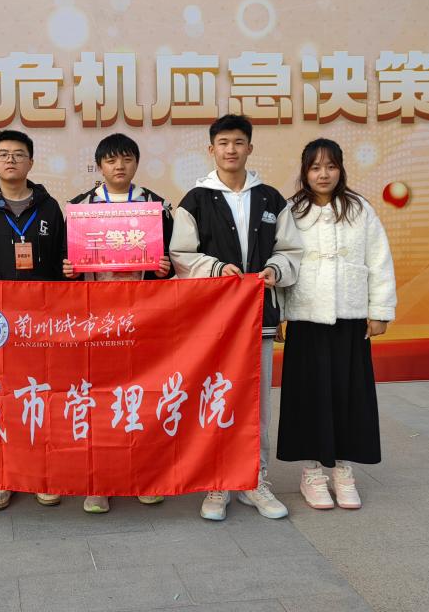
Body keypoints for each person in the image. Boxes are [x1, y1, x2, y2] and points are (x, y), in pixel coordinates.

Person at [170, 113, 302, 522]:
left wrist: (276, 269)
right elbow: (181, 254)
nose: (231, 149)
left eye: (238, 142)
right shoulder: (195, 200)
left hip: (259, 315)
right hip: (212, 321)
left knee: (257, 402)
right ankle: (217, 482)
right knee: (215, 398)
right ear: (211, 149)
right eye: (223, 143)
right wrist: (214, 268)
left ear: (250, 148)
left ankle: (254, 480)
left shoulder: (271, 199)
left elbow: (291, 250)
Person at [277, 138, 396, 510]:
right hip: (305, 317)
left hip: (349, 316)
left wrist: (380, 310)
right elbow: (281, 261)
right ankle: (312, 473)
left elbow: (379, 259)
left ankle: (344, 470)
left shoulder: (360, 209)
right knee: (307, 396)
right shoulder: (291, 211)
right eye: (315, 167)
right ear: (304, 172)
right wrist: (279, 314)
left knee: (349, 395)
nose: (323, 174)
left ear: (341, 169)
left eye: (331, 166)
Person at [63, 132, 174, 514]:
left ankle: (142, 476)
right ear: (99, 166)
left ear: (136, 163)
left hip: (144, 318)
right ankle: (100, 481)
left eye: (126, 159)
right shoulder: (80, 207)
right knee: (98, 397)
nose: (119, 166)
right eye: (111, 160)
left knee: (141, 397)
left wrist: (164, 269)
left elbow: (172, 261)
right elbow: (66, 264)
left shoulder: (157, 206)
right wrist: (69, 271)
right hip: (96, 320)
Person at [0, 129, 67, 512]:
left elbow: (61, 264)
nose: (11, 159)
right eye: (4, 154)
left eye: (19, 154)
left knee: (40, 397)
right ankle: (2, 475)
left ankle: (41, 472)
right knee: (1, 397)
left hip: (41, 321)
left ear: (31, 162)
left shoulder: (50, 208)